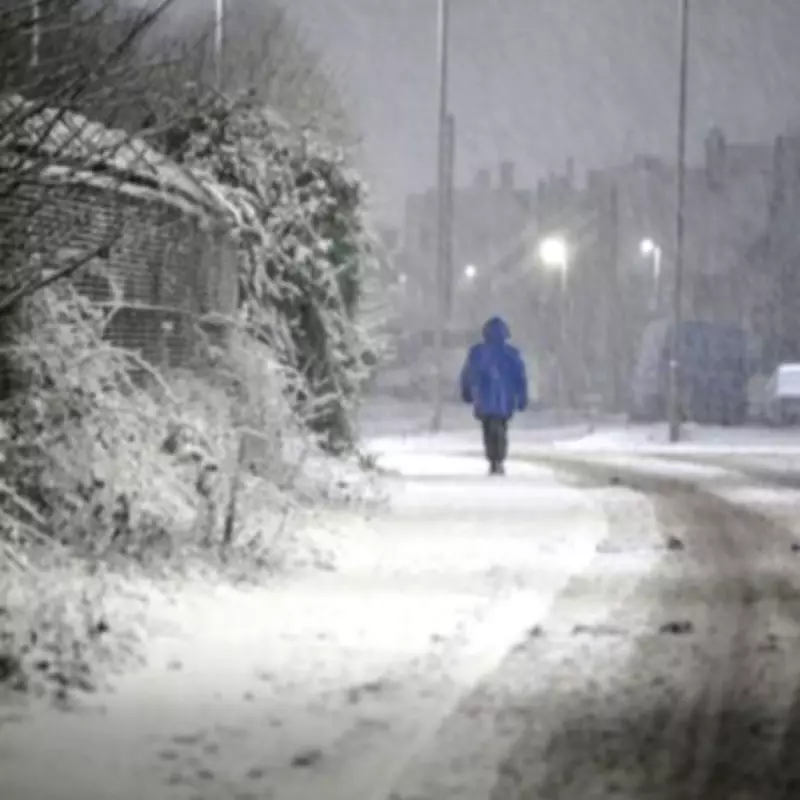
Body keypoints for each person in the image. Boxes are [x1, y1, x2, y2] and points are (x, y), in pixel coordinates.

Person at [460, 315, 528, 476]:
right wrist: (522, 397)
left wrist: (467, 392)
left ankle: (492, 459)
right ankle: (500, 458)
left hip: (483, 399)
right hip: (505, 400)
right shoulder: (512, 354)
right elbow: (520, 378)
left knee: (488, 430)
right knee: (502, 428)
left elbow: (468, 374)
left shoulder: (477, 352)